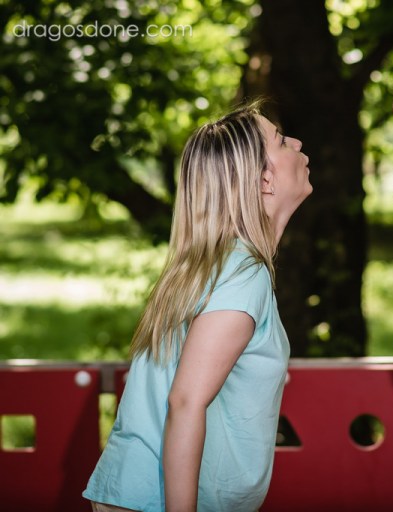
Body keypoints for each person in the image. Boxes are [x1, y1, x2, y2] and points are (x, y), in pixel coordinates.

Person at [83, 100, 312, 512]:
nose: (295, 142)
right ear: (264, 180)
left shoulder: (222, 262)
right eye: (281, 140)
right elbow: (185, 401)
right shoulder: (242, 272)